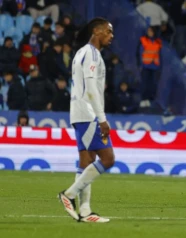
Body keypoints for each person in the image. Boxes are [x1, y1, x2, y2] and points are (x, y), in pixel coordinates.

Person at [57, 17, 115, 223]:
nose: (111, 36)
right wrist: (102, 119)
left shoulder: (82, 53)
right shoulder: (91, 54)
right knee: (108, 159)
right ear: (97, 32)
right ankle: (69, 195)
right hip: (89, 114)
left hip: (79, 113)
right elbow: (91, 89)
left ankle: (85, 211)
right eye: (108, 32)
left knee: (86, 161)